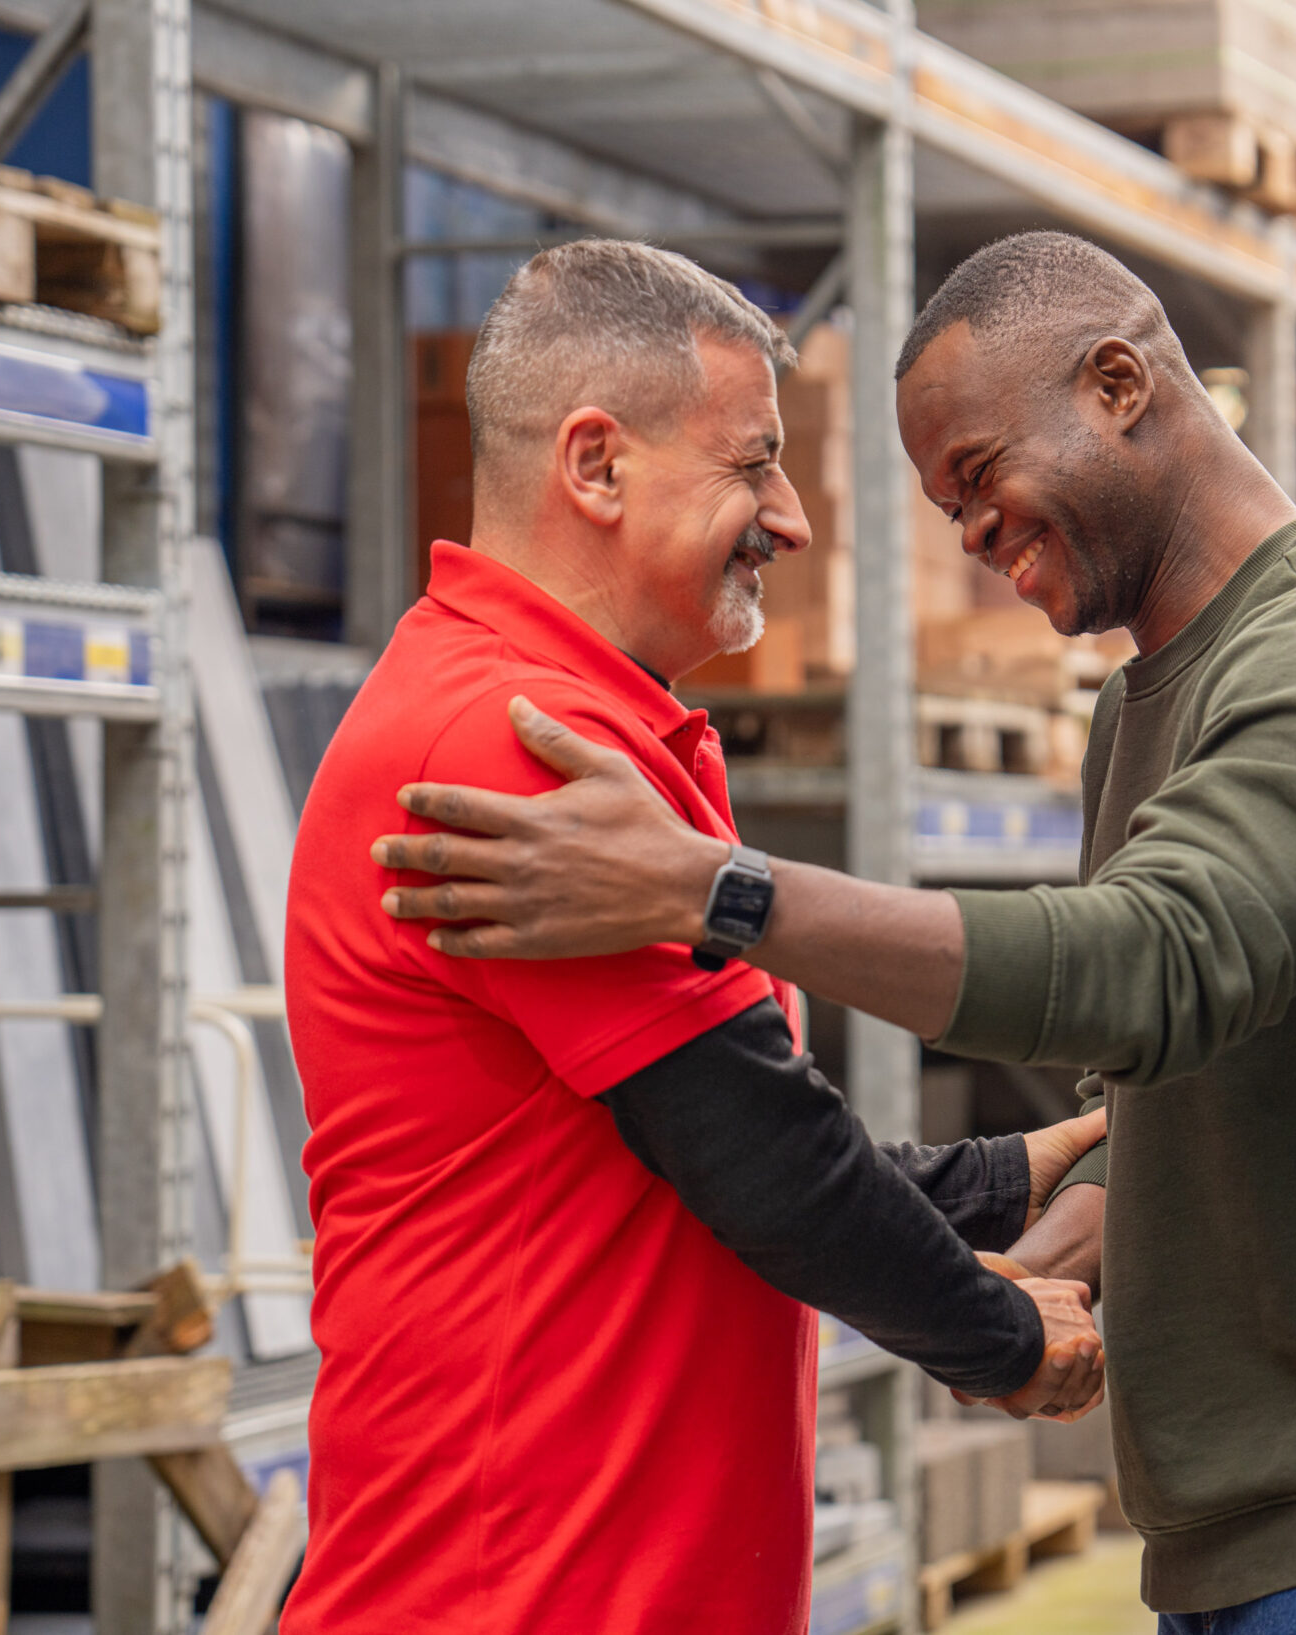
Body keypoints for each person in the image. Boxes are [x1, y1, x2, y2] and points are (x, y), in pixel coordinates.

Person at [371, 231, 1296, 1635]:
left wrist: (718, 889)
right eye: (947, 511)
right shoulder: (1143, 707)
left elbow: (1157, 965)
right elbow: (1206, 1049)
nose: (975, 540)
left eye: (981, 479)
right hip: (1284, 1518)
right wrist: (1086, 1207)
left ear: (1119, 384)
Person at [281, 239, 1107, 1635]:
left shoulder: (604, 732)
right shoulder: (509, 740)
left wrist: (1005, 1175)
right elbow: (758, 1156)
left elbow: (679, 1169)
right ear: (595, 467)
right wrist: (1007, 1343)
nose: (789, 517)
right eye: (751, 464)